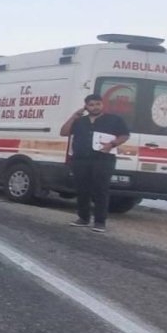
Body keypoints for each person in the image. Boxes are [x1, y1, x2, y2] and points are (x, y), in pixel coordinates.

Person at [59, 93, 131, 232]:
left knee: (101, 190)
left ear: (102, 104)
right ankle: (83, 218)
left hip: (103, 160)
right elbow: (64, 132)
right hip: (80, 160)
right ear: (86, 106)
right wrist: (74, 117)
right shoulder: (80, 121)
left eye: (98, 104)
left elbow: (125, 135)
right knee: (82, 190)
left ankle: (99, 222)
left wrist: (112, 144)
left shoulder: (114, 119)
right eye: (91, 105)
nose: (95, 107)